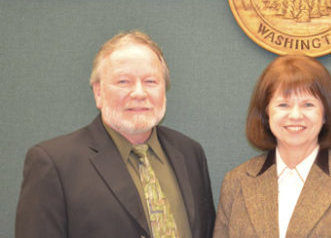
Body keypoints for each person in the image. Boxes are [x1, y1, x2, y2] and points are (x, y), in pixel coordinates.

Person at [15, 31, 216, 238]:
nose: (139, 93)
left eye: (150, 82)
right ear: (98, 92)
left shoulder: (190, 153)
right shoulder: (54, 164)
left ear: (164, 89)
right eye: (123, 82)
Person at [214, 55, 331, 237]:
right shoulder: (235, 182)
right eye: (283, 104)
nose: (295, 115)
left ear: (325, 114)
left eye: (308, 104)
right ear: (266, 113)